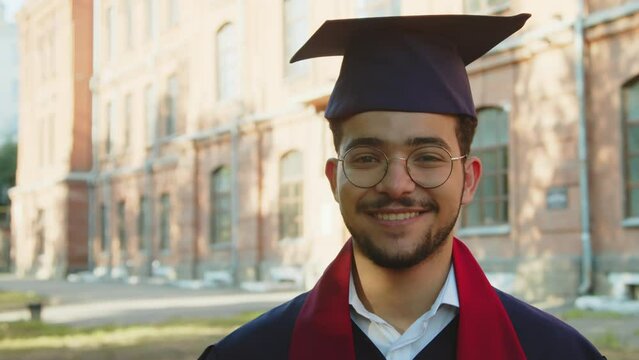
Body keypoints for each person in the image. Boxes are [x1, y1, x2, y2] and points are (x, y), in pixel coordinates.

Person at [198, 13, 605, 360]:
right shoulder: (251, 352)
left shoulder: (555, 352)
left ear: (469, 180)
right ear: (332, 180)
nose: (396, 185)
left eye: (428, 157)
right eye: (367, 158)